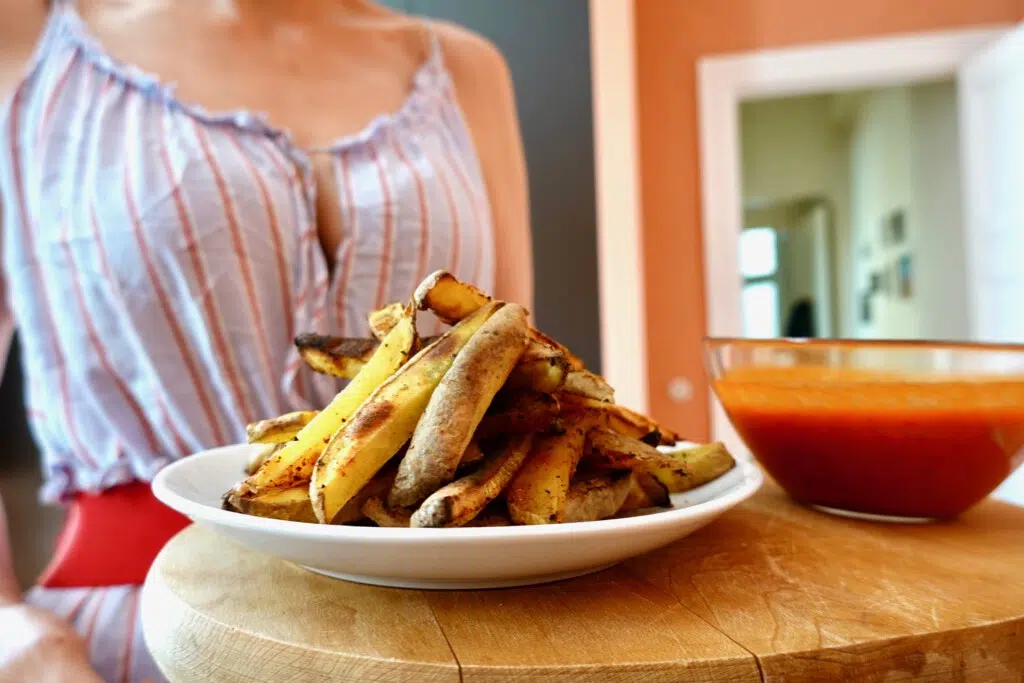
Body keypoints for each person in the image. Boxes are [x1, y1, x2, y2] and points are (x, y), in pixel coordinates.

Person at [0, 0, 532, 679]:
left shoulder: (464, 68)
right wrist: (9, 630)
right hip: (130, 646)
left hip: (443, 643)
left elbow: (515, 371)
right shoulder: (32, 37)